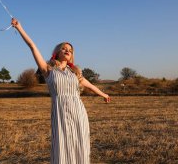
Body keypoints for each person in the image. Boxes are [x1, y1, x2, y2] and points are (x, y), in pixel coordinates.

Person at [11, 18, 111, 164]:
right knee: (62, 146)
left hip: (78, 111)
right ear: (57, 52)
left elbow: (90, 85)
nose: (67, 51)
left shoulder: (75, 73)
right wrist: (19, 28)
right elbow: (32, 46)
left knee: (80, 143)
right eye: (64, 48)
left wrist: (104, 94)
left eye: (70, 50)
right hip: (60, 112)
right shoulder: (48, 70)